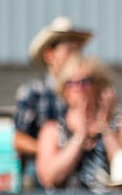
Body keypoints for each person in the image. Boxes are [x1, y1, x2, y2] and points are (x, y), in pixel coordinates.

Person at [35, 56, 122, 195]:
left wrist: (105, 128)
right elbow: (50, 178)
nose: (78, 88)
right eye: (71, 83)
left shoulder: (121, 124)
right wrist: (80, 136)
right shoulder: (52, 129)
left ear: (98, 85)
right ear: (64, 90)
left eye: (85, 81)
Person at [13, 17, 93, 168]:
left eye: (78, 50)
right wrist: (50, 152)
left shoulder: (86, 90)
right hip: (39, 170)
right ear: (50, 55)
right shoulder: (33, 92)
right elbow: (19, 139)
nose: (75, 56)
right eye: (69, 50)